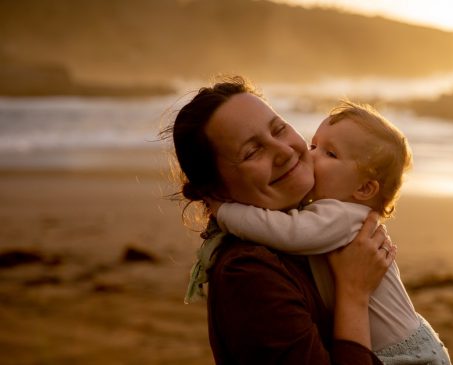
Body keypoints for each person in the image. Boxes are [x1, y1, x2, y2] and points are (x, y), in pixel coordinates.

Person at [165, 76, 394, 364]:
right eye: (252, 151)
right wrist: (354, 294)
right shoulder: (248, 274)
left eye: (280, 129)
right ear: (215, 191)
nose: (285, 151)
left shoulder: (315, 232)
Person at [206, 102, 451, 365]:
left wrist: (225, 211)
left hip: (405, 355)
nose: (310, 157)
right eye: (314, 146)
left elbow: (286, 232)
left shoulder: (343, 216)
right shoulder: (336, 215)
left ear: (365, 189)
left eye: (330, 154)